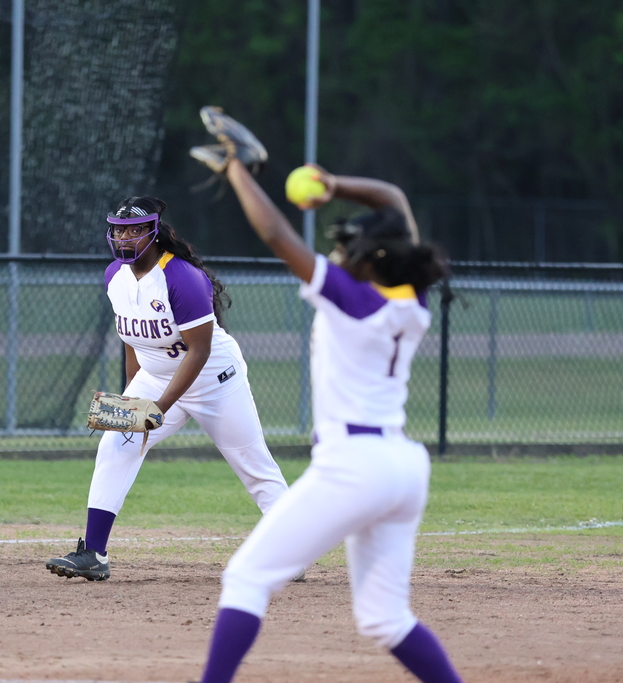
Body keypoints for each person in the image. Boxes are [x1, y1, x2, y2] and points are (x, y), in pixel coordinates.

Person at [194, 157, 464, 683]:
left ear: (371, 258)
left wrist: (235, 170)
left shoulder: (354, 298)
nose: (339, 253)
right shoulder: (411, 297)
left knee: (247, 577)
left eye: (349, 248)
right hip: (402, 466)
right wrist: (334, 186)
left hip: (354, 464)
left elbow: (275, 233)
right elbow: (393, 200)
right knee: (385, 617)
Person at [46, 195, 291, 581]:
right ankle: (94, 553)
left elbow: (200, 349)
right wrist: (132, 397)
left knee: (253, 466)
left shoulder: (181, 279)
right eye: (119, 229)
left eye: (135, 230)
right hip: (156, 375)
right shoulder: (115, 276)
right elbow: (131, 339)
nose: (125, 237)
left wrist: (158, 407)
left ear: (154, 232)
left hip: (213, 379)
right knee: (114, 446)